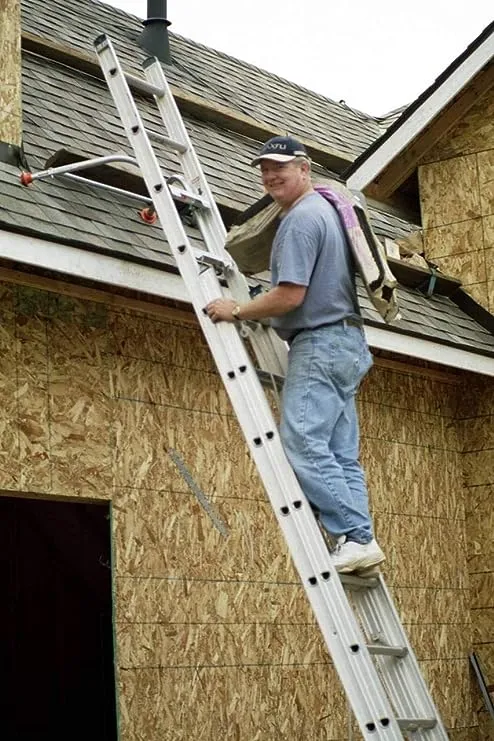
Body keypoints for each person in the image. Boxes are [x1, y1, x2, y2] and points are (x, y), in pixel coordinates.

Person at [206, 135, 384, 573]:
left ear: (305, 168)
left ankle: (354, 534)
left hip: (321, 343)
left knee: (302, 441)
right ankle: (360, 538)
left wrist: (240, 309)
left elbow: (289, 295)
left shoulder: (300, 220)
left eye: (280, 167)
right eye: (265, 169)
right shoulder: (324, 211)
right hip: (347, 343)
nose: (270, 176)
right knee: (340, 455)